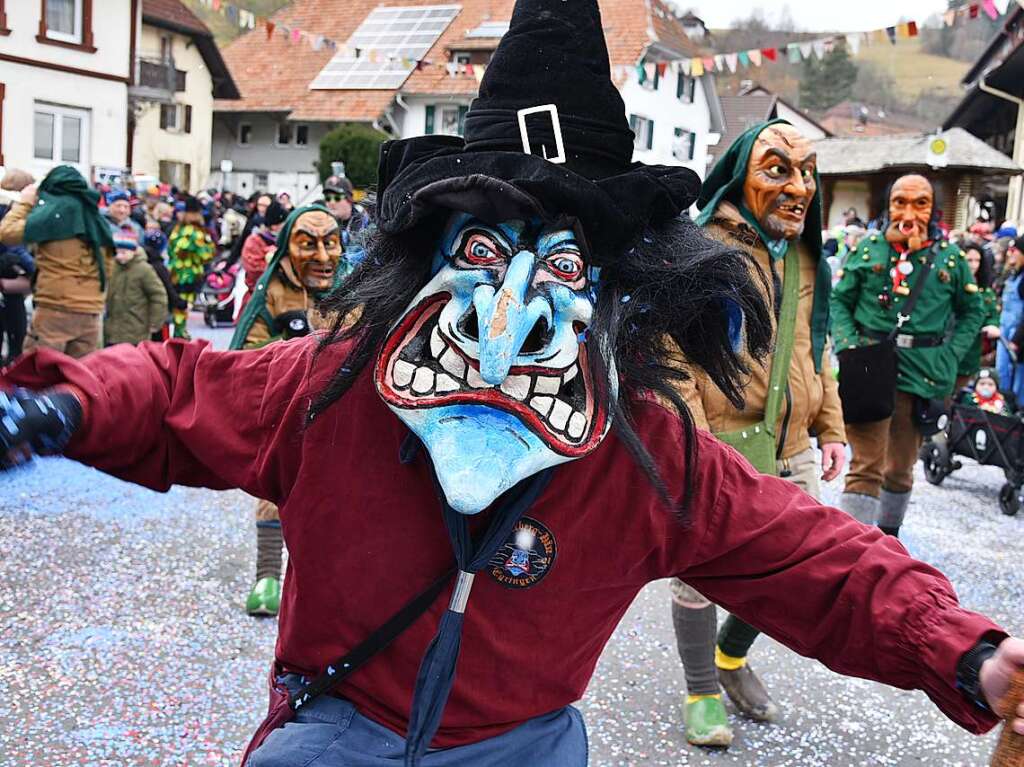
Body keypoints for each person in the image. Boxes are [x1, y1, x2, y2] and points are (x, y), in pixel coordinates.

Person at [2, 4, 1023, 766]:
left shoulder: (642, 448)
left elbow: (811, 555)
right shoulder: (337, 386)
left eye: (564, 266)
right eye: (483, 248)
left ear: (614, 288)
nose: (512, 307)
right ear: (426, 254)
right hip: (334, 728)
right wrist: (61, 403)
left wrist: (966, 650)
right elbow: (181, 388)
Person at [669, 120, 846, 747]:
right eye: (779, 169)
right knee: (699, 574)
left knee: (790, 571)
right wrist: (690, 437)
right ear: (740, 174)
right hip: (720, 442)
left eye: (808, 172)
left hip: (793, 443)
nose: (800, 187)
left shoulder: (804, 254)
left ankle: (729, 659)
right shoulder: (699, 247)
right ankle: (700, 689)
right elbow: (669, 350)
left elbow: (813, 344)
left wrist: (830, 425)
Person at [832, 175, 984, 536]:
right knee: (866, 465)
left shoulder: (950, 257)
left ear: (932, 210)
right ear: (888, 205)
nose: (908, 211)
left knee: (899, 467)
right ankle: (853, 550)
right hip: (869, 367)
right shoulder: (868, 249)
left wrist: (951, 355)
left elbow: (973, 310)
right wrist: (848, 345)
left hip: (921, 374)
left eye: (920, 203)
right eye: (900, 201)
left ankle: (888, 541)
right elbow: (840, 300)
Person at [230, 205, 342, 616]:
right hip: (285, 414)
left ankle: (322, 583)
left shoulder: (354, 287)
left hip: (336, 417)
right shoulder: (271, 291)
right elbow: (245, 356)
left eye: (330, 242)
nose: (323, 256)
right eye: (308, 244)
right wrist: (290, 347)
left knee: (335, 500)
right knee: (273, 494)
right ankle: (267, 576)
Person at [0, 165, 114, 358]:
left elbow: (6, 232)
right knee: (78, 378)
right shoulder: (97, 220)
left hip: (55, 308)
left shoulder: (52, 215)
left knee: (39, 374)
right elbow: (108, 268)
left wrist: (26, 203)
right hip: (91, 312)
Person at [103, 230, 168, 347]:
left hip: (137, 329)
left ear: (133, 251)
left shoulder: (144, 270)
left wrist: (155, 321)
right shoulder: (113, 267)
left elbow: (158, 295)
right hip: (113, 329)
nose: (119, 256)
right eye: (117, 252)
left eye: (124, 252)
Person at [0, 169, 36, 364]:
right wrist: (35, 270)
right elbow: (15, 246)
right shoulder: (9, 210)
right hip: (8, 281)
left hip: (11, 283)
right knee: (16, 333)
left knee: (17, 333)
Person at [167, 197, 215, 339]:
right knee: (183, 307)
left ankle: (177, 334)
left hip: (175, 273)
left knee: (177, 307)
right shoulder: (197, 232)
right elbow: (206, 255)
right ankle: (180, 337)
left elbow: (170, 251)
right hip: (190, 275)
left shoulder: (177, 229)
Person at [956, 240, 1001, 392]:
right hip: (947, 348)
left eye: (977, 260)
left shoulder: (985, 292)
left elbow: (992, 314)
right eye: (969, 260)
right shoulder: (951, 286)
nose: (974, 265)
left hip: (971, 353)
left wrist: (992, 325)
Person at [240, 200, 288, 307]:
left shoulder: (285, 242)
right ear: (274, 225)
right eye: (284, 225)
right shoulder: (255, 241)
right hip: (258, 299)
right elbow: (254, 269)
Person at [998, 238, 1024, 403]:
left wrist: (1017, 339)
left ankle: (1019, 409)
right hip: (1003, 329)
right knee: (1002, 370)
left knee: (1020, 375)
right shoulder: (1012, 274)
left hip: (1018, 333)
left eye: (1014, 251)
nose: (1010, 253)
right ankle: (1001, 404)